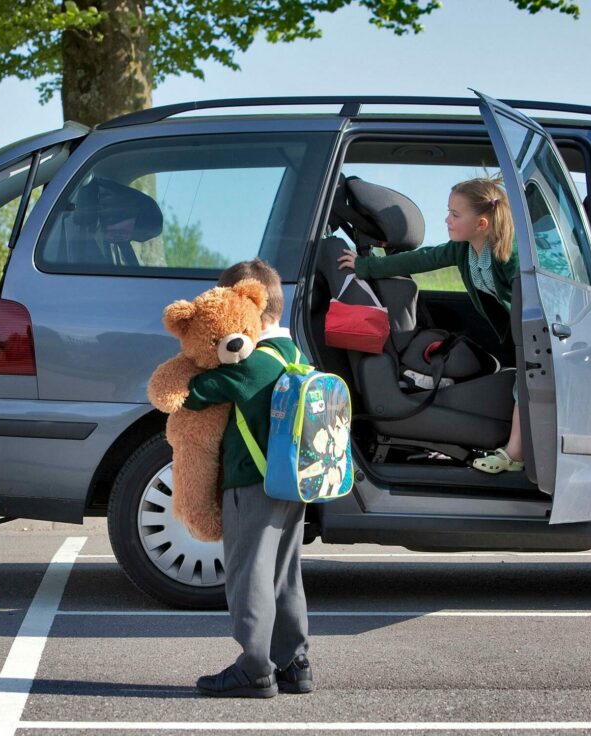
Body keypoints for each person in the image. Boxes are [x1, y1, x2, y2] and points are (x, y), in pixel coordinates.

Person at [186, 258, 313, 698]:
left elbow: (193, 396)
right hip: (293, 484)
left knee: (248, 574)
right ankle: (294, 662)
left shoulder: (252, 364)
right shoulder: (296, 354)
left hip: (251, 483)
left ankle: (254, 667)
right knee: (283, 572)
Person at [337, 176, 522, 473]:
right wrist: (365, 265)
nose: (446, 219)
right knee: (524, 383)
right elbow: (422, 259)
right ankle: (513, 454)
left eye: (455, 214)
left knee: (527, 384)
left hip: (538, 331)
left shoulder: (509, 255)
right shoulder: (462, 250)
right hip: (520, 334)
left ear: (482, 224)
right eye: (448, 211)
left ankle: (514, 453)